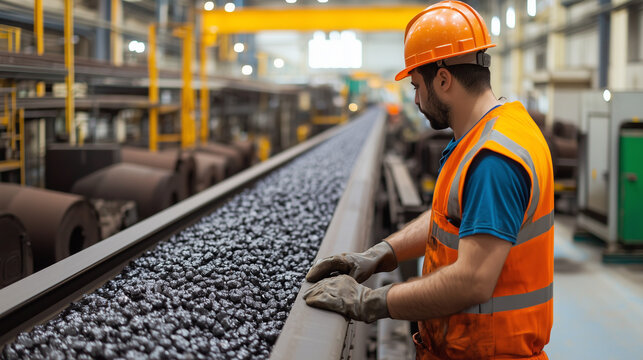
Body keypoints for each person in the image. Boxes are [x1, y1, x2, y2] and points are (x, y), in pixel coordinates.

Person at [303, 1, 555, 359]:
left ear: (443, 79)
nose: (417, 100)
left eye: (417, 86)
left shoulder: (492, 161)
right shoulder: (490, 132)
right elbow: (449, 219)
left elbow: (473, 280)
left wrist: (371, 302)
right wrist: (380, 255)